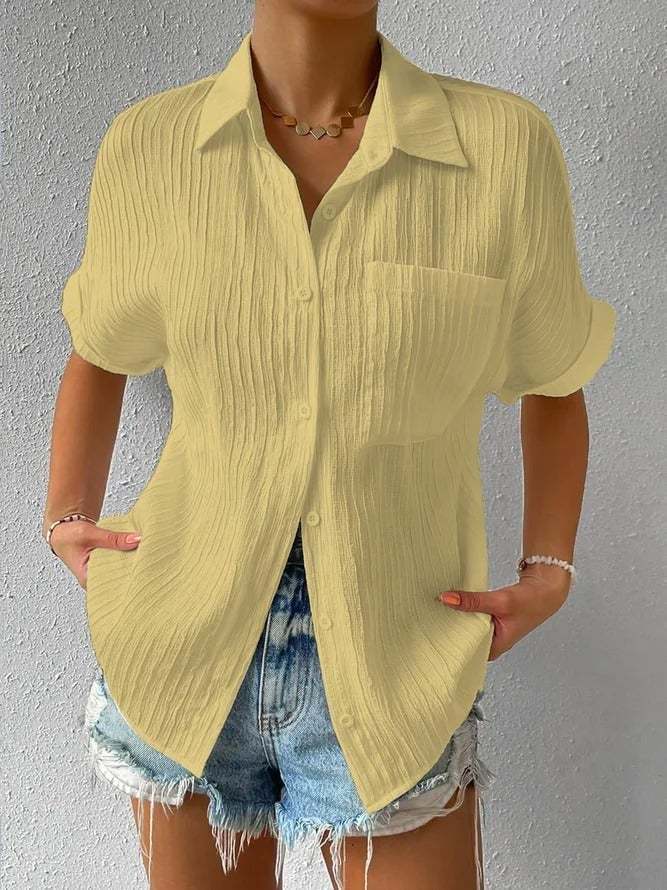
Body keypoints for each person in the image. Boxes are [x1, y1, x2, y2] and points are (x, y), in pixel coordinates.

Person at [43, 3, 616, 889]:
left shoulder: (502, 145)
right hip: (180, 649)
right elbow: (100, 348)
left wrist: (549, 566)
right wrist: (65, 517)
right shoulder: (151, 144)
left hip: (397, 659)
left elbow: (554, 373)